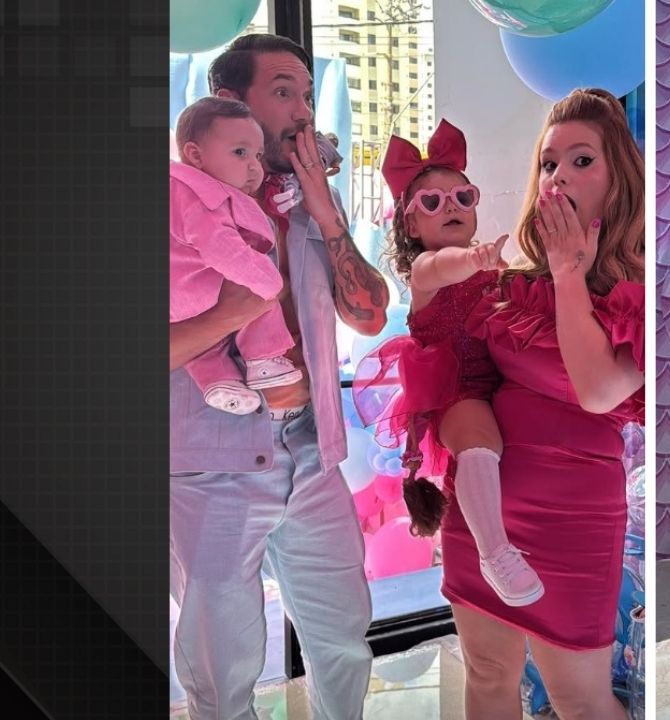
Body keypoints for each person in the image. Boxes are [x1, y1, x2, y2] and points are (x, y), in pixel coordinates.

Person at [169, 34, 389, 719]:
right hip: (212, 461)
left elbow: (370, 315)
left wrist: (326, 216)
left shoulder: (306, 202)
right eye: (283, 91)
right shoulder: (176, 206)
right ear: (229, 102)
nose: (302, 111)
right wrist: (234, 311)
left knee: (344, 642)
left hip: (312, 451)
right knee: (221, 672)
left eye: (307, 94)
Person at [443, 88, 644, 720]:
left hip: (575, 518)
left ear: (619, 178)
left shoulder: (647, 287)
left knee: (580, 700)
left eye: (582, 160)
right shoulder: (515, 283)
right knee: (487, 675)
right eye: (549, 163)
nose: (558, 177)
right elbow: (462, 378)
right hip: (483, 512)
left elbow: (597, 391)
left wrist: (569, 274)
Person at [354, 119, 545, 607]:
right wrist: (476, 261)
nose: (452, 207)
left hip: (502, 378)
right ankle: (494, 552)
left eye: (463, 196)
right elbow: (444, 266)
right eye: (432, 202)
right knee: (478, 438)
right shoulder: (426, 269)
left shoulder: (490, 266)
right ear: (411, 226)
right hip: (454, 386)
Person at [170, 96, 301, 415]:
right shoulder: (204, 197)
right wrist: (269, 283)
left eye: (258, 155)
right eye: (240, 153)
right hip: (198, 292)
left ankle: (219, 382)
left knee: (205, 348)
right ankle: (264, 357)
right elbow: (222, 249)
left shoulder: (177, 189)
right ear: (195, 155)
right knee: (253, 284)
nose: (254, 166)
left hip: (182, 296)